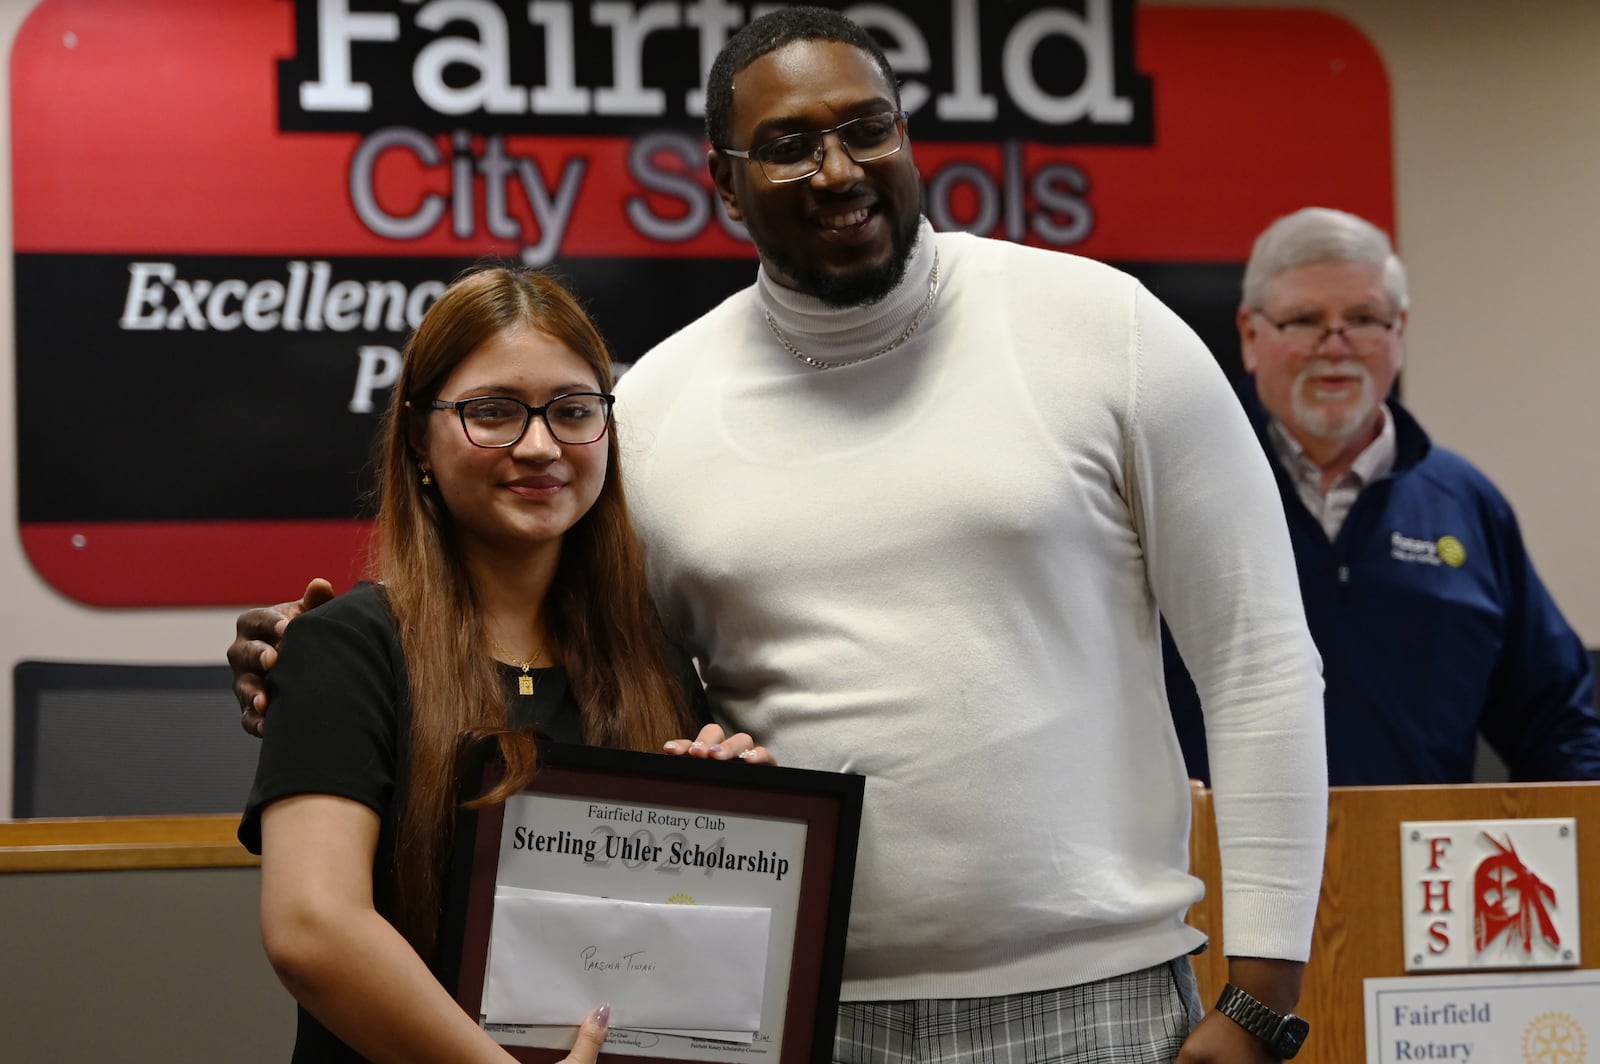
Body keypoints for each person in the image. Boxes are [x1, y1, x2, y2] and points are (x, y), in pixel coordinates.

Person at [233, 9, 1328, 1062]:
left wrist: (1263, 997)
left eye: (867, 128)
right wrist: (324, 654)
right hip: (781, 1013)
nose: (839, 169)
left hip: (1095, 1001)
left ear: (906, 132)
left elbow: (1259, 656)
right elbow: (558, 645)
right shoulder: (652, 410)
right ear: (722, 181)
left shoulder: (1109, 331)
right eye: (790, 145)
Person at [236, 265, 772, 1063]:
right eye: (492, 412)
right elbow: (313, 930)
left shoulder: (653, 661)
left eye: (573, 411)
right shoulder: (344, 647)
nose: (539, 446)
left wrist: (727, 819)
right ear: (419, 438)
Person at [1165, 207, 1600, 787]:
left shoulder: (1464, 505)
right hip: (1216, 871)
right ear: (1250, 335)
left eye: (1364, 318)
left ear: (1399, 332)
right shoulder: (1170, 487)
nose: (1336, 345)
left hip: (1418, 869)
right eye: (1304, 319)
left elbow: (1556, 724)